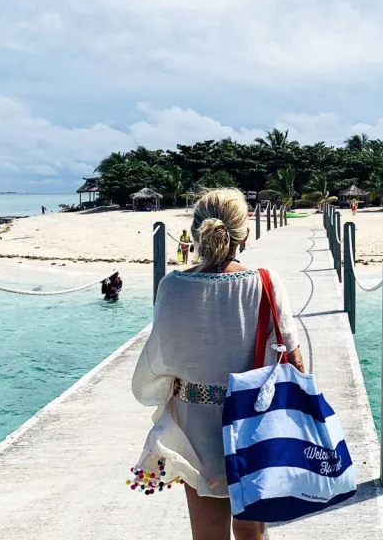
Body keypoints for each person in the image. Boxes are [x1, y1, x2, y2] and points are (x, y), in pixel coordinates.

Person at [129, 188, 305, 540]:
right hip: (255, 422)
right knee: (253, 533)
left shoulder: (172, 286)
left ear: (196, 233)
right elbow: (295, 361)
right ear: (245, 234)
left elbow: (160, 360)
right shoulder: (265, 282)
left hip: (196, 423)